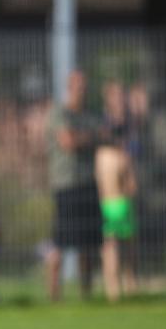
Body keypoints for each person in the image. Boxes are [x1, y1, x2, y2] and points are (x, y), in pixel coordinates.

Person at [46, 71, 106, 301]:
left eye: (85, 86)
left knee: (88, 245)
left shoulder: (90, 115)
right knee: (60, 242)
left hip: (88, 183)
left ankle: (86, 296)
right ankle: (54, 297)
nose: (83, 90)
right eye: (78, 86)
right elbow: (68, 141)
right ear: (69, 87)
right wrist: (91, 136)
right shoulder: (59, 114)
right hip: (66, 185)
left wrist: (86, 136)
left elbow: (104, 134)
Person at [95, 138, 138, 301]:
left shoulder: (99, 157)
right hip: (123, 204)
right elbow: (132, 186)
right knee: (128, 249)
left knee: (109, 249)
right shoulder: (123, 157)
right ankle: (130, 286)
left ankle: (111, 290)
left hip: (106, 205)